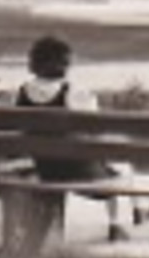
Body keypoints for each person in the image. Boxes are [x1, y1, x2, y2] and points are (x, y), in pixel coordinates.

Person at [15, 35, 140, 243]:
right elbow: (94, 130)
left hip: (45, 169)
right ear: (64, 64)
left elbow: (21, 132)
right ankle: (118, 223)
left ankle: (135, 215)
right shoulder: (73, 92)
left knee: (110, 163)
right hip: (80, 173)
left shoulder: (23, 93)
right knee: (122, 168)